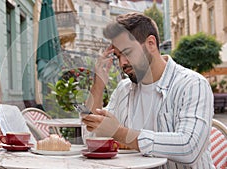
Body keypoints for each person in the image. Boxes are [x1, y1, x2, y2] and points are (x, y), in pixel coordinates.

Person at [82, 13, 215, 168]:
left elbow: (189, 148)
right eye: (118, 56)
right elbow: (92, 139)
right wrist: (98, 85)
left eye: (128, 52)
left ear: (151, 43)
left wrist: (119, 133)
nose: (122, 63)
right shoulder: (124, 89)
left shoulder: (192, 84)